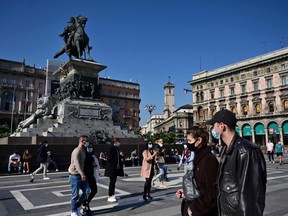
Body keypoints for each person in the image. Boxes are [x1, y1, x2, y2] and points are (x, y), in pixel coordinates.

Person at [206, 109, 267, 215]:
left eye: (214, 125)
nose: (212, 129)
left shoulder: (245, 151)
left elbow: (251, 195)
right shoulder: (227, 149)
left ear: (222, 126)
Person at [176, 124, 219, 216]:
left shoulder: (208, 160)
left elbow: (212, 193)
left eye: (189, 141)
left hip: (201, 212)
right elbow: (199, 184)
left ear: (199, 140)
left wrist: (194, 209)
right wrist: (186, 191)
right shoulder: (199, 158)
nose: (187, 144)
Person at [68, 135, 89, 216]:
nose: (87, 143)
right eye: (86, 141)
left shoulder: (83, 150)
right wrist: (82, 174)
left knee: (87, 191)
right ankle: (73, 211)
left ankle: (76, 206)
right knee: (75, 194)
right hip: (75, 175)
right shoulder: (76, 151)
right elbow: (76, 163)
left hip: (81, 174)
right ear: (82, 142)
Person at [104, 138, 124, 202]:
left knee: (114, 181)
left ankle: (113, 194)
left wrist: (121, 156)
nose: (119, 143)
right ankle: (110, 195)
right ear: (115, 142)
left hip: (116, 168)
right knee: (112, 182)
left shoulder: (116, 148)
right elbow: (110, 158)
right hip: (112, 168)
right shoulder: (110, 148)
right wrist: (115, 165)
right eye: (118, 142)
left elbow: (117, 157)